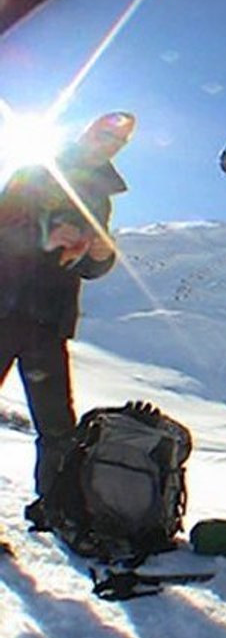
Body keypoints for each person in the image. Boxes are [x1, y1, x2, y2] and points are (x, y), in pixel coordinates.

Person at [0, 116, 126, 517]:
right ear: (88, 131)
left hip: (49, 322)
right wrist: (44, 237)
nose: (111, 143)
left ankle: (54, 510)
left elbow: (86, 266)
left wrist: (101, 256)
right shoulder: (36, 170)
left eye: (119, 141)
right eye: (106, 134)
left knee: (57, 426)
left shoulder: (100, 199)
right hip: (5, 307)